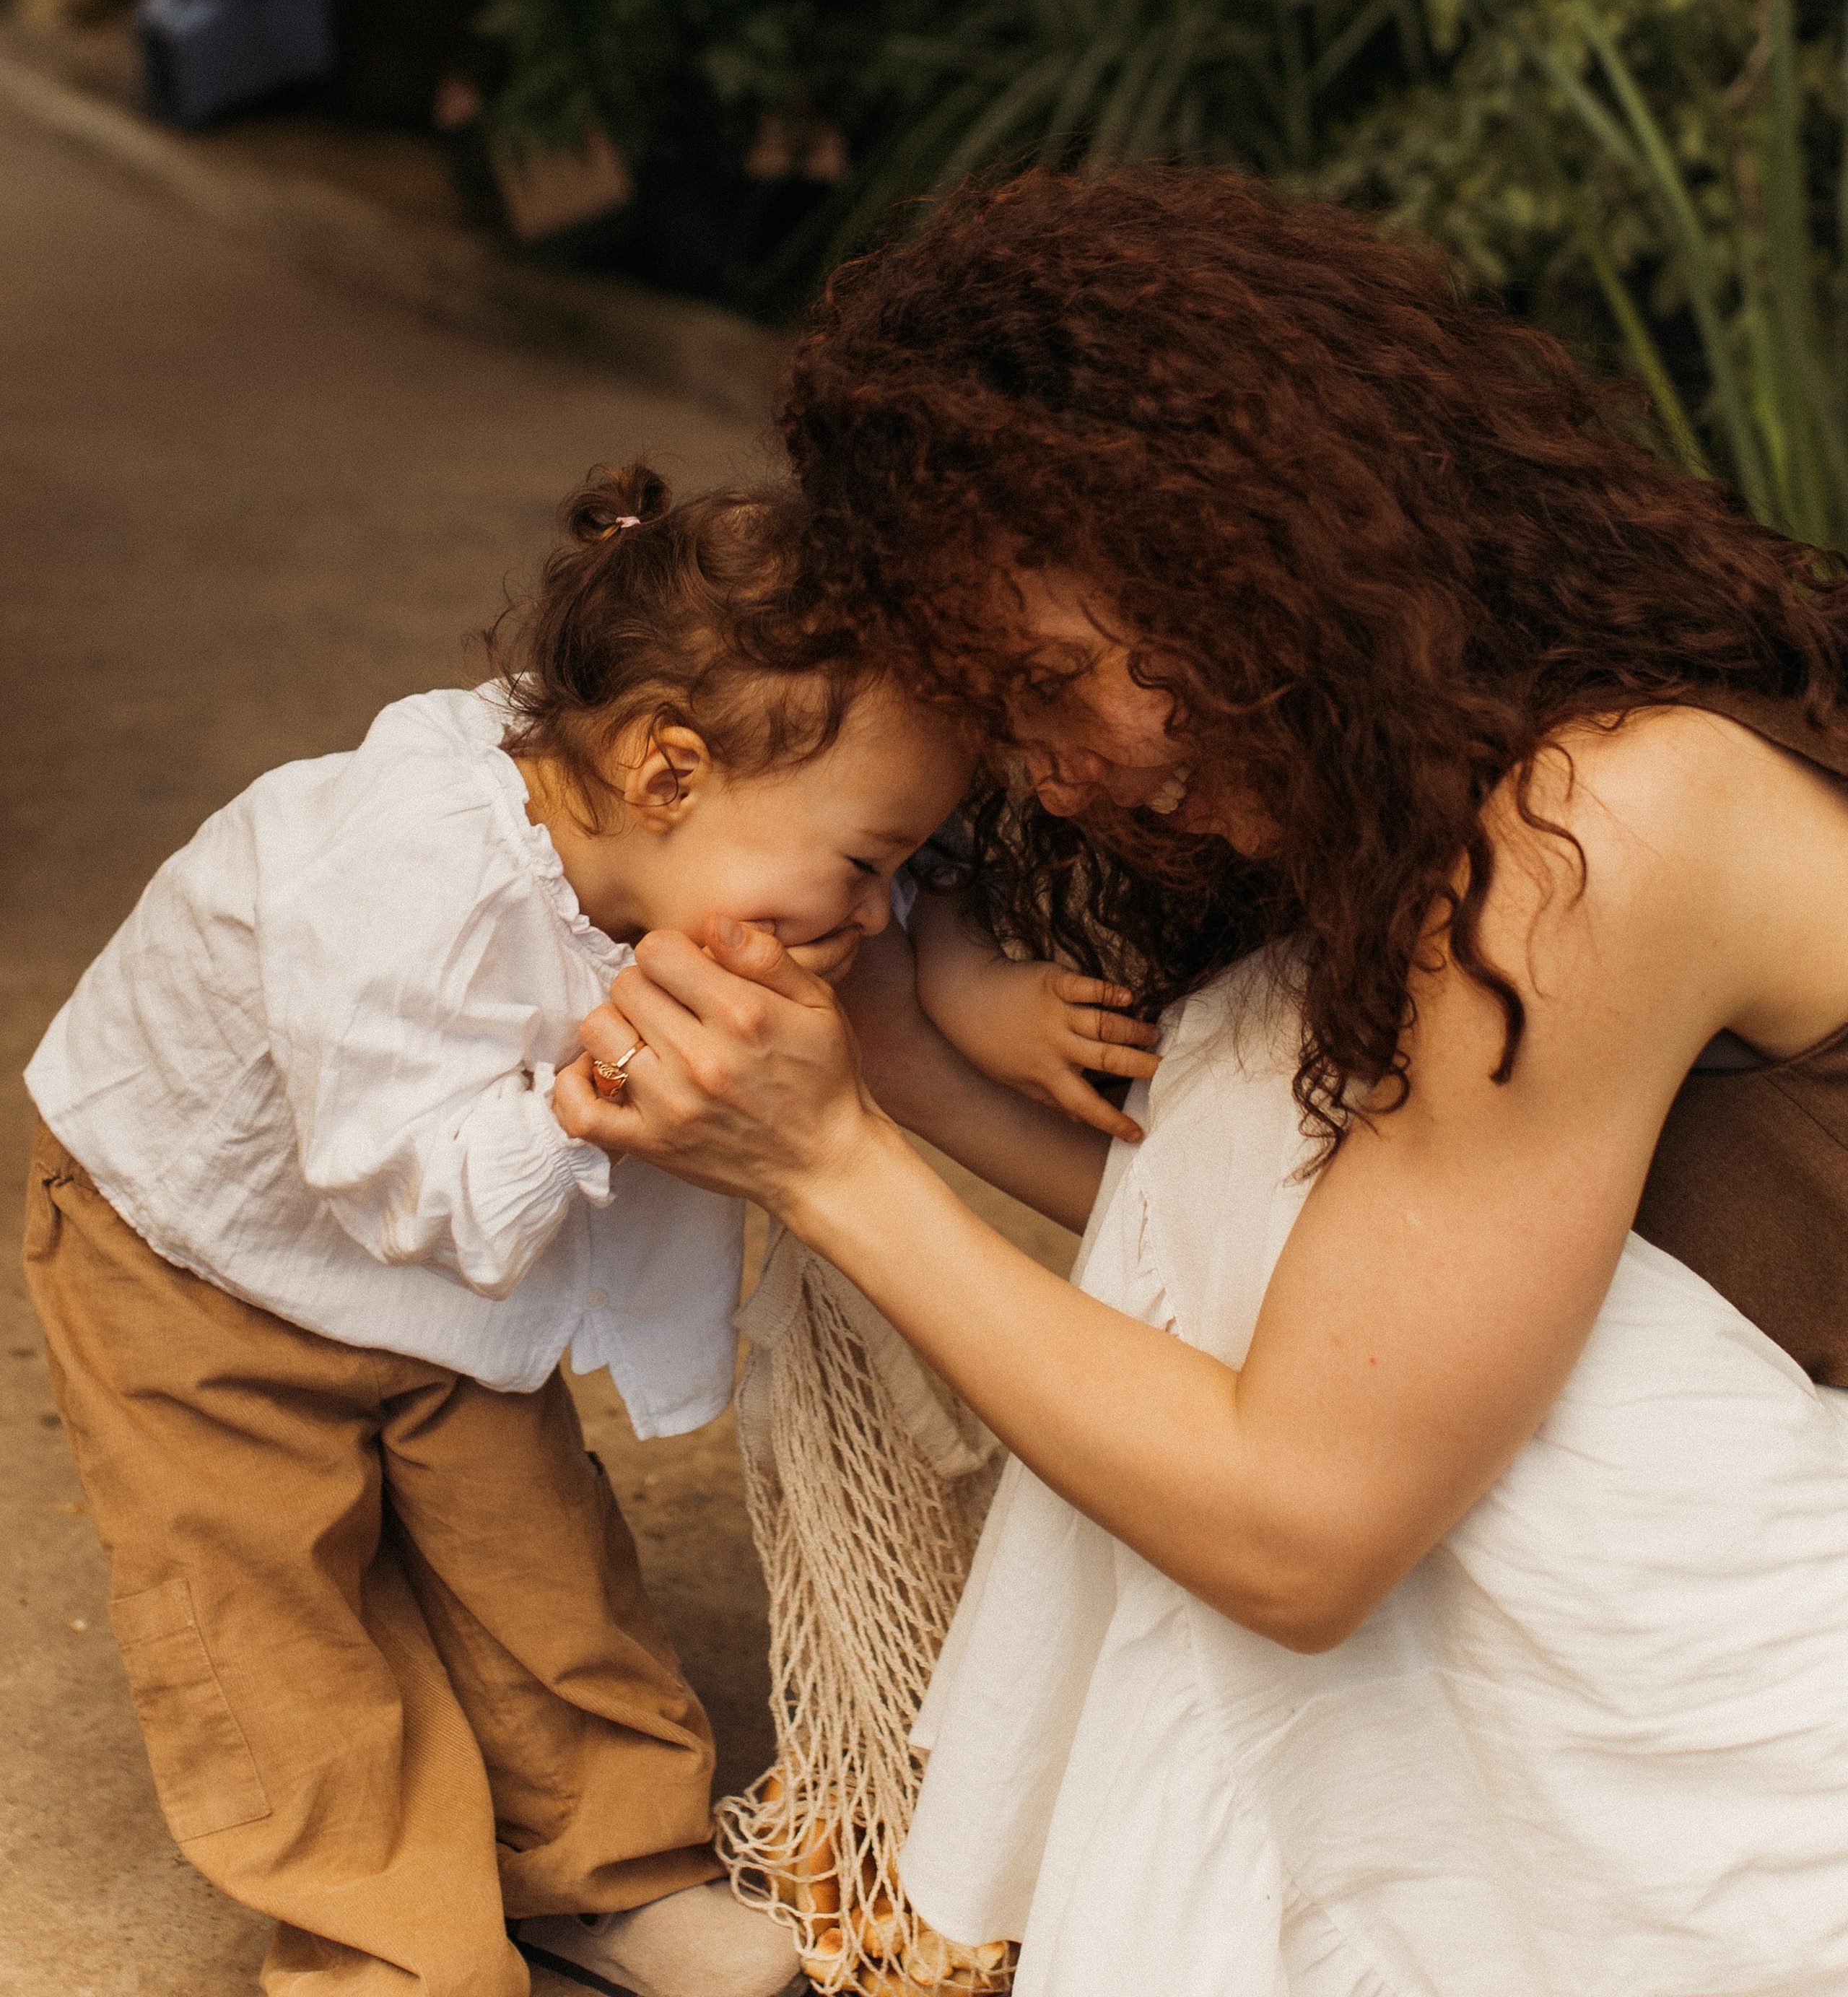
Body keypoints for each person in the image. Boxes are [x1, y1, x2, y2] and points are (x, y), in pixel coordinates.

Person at [554, 173, 1848, 1996]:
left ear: (1230, 545)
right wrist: (908, 1070)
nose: (1061, 778)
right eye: (1006, 730)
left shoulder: (1587, 835)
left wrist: (830, 1167)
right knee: (1259, 1078)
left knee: (1372, 1420)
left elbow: (1303, 1526)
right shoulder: (1480, 750)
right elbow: (1372, 1286)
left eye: (1060, 682)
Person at [23, 458, 1066, 1997]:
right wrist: (600, 1088)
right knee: (270, 1614)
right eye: (867, 867)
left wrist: (979, 986)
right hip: (201, 1260)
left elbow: (878, 901)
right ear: (664, 772)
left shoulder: (703, 829)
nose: (874, 913)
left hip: (449, 1282)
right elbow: (400, 1186)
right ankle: (383, 1940)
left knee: (536, 1562)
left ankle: (609, 1873)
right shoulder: (386, 872)